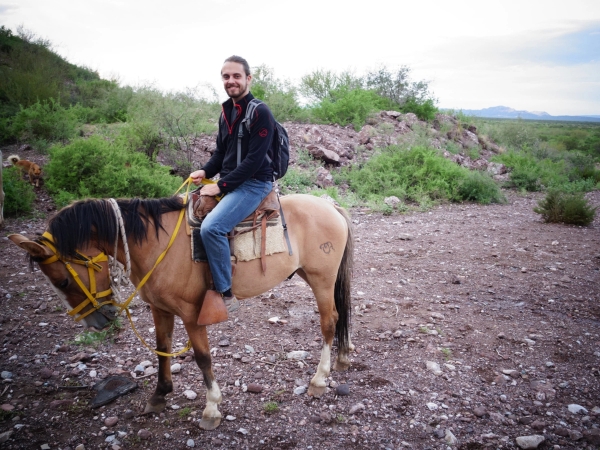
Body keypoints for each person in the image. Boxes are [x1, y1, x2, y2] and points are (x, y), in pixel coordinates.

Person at [190, 55, 275, 314]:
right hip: (232, 181)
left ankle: (226, 293)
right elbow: (221, 153)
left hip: (254, 184)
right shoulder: (227, 111)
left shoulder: (260, 112)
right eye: (226, 77)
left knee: (212, 228)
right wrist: (206, 170)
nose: (231, 81)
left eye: (237, 76)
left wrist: (221, 186)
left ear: (248, 78)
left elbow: (254, 160)